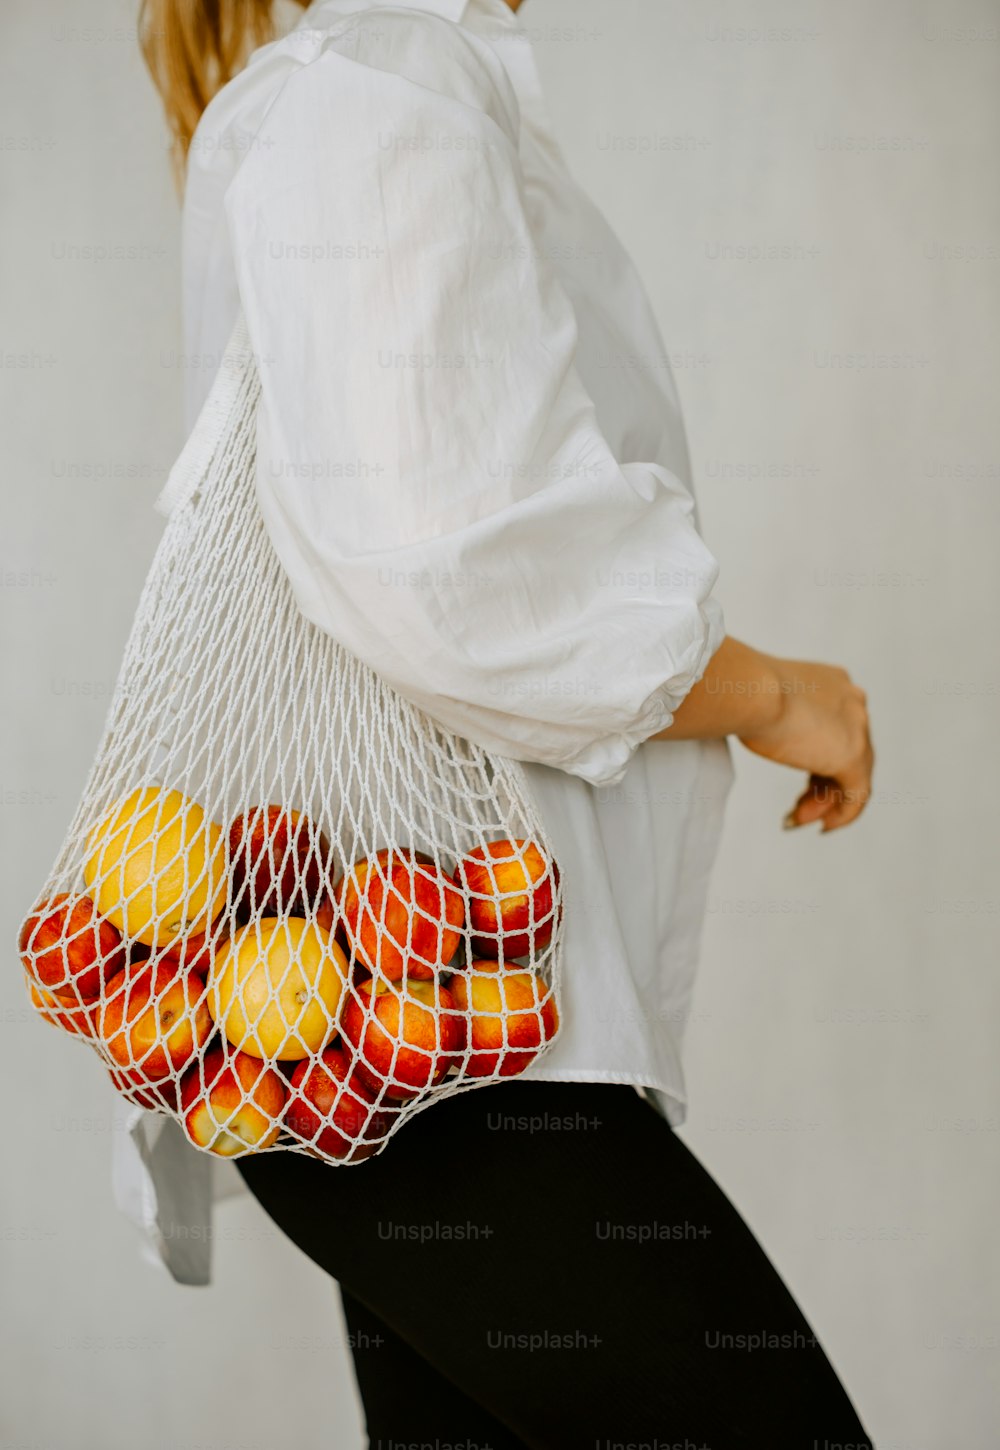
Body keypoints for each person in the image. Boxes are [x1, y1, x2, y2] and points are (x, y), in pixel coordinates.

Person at [135, 0, 876, 1443]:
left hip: (358, 1010)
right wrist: (783, 695)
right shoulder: (381, 96)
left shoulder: (338, 96)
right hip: (444, 1043)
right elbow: (456, 574)